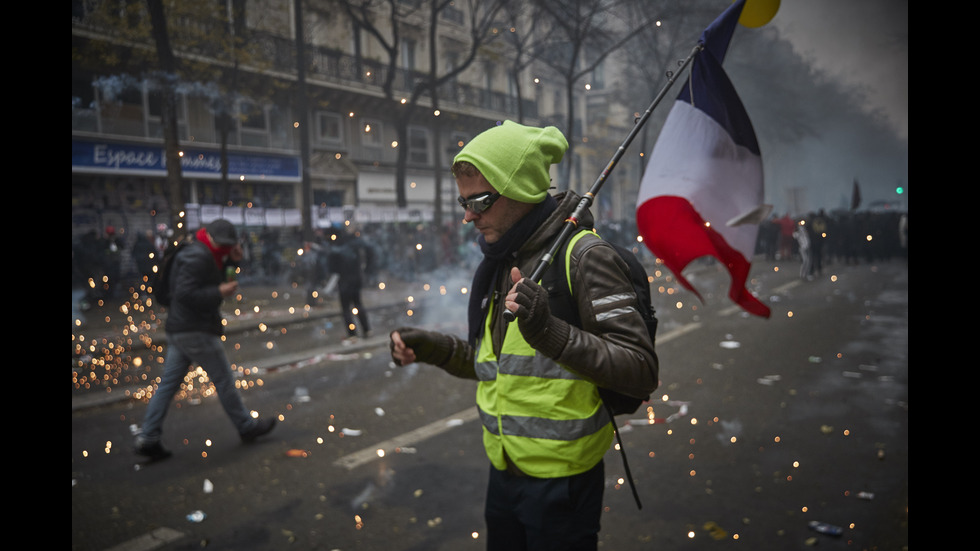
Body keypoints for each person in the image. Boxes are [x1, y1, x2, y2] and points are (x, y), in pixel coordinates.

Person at [389, 121, 659, 550]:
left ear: (520, 190)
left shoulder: (585, 256)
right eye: (463, 202)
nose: (467, 215)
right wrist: (433, 347)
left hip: (563, 481)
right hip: (505, 470)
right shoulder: (502, 257)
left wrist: (549, 331)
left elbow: (640, 370)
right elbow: (500, 367)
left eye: (479, 200)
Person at [135, 219, 277, 460]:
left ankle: (148, 437)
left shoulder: (204, 249)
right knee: (224, 381)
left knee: (168, 385)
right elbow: (185, 293)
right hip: (195, 329)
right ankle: (246, 426)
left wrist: (233, 261)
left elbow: (207, 278)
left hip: (182, 328)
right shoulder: (198, 256)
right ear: (212, 239)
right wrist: (218, 292)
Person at [330, 227, 374, 340]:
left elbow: (333, 268)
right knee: (358, 304)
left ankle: (352, 334)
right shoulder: (355, 246)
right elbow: (369, 249)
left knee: (346, 309)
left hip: (345, 281)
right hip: (356, 279)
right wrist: (367, 270)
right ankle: (367, 329)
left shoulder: (338, 249)